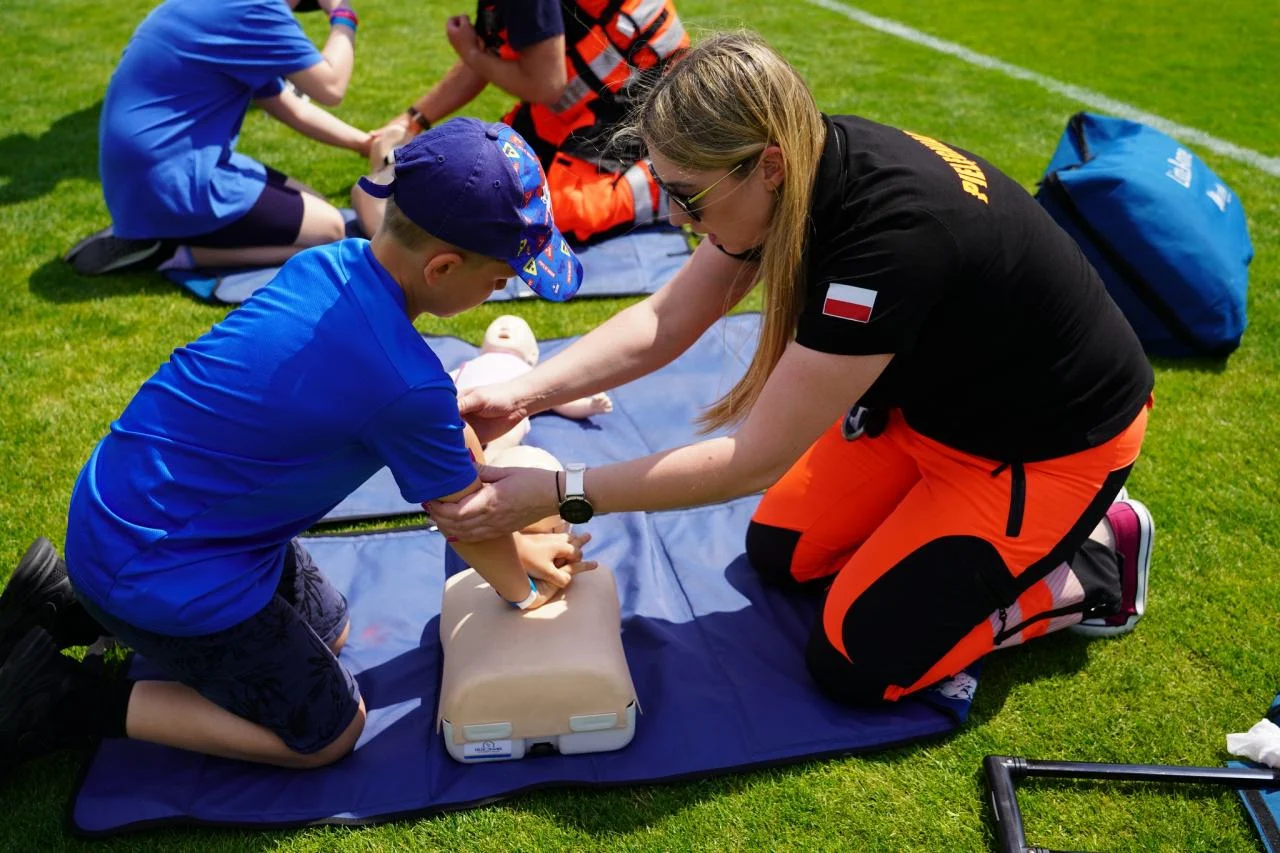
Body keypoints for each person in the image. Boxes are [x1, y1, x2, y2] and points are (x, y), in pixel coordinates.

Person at [426, 32, 1160, 706]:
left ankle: (1092, 561)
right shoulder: (793, 165)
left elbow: (753, 460)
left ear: (767, 166)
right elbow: (666, 320)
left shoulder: (885, 245)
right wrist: (521, 392)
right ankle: (958, 539)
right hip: (929, 411)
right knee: (781, 553)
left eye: (686, 195)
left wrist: (564, 493)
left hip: (1042, 447)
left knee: (858, 662)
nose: (677, 218)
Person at [0, 119, 596, 778]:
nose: (500, 292)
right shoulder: (405, 385)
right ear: (444, 267)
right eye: (500, 278)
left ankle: (63, 604)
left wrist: (498, 523)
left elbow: (411, 423)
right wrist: (524, 589)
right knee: (328, 731)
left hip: (126, 509)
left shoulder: (328, 263)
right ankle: (62, 699)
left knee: (331, 629)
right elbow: (463, 515)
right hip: (162, 564)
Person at [67, 0, 380, 277]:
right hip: (176, 181)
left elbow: (290, 108)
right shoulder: (258, 8)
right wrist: (342, 13)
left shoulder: (216, 7)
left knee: (316, 206)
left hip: (144, 176)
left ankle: (152, 228)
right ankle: (171, 250)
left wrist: (363, 144)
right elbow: (331, 86)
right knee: (330, 230)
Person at [354, 0, 689, 245]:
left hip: (647, 109)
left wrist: (471, 54)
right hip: (585, 100)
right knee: (485, 173)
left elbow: (545, 85)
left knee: (541, 217)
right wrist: (413, 120)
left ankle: (668, 183)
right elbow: (493, 55)